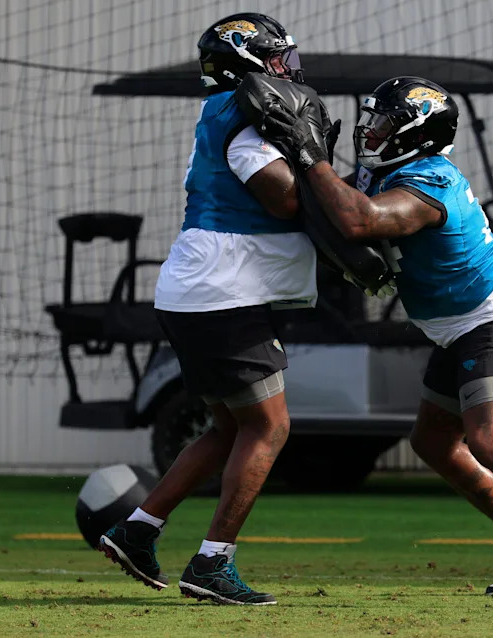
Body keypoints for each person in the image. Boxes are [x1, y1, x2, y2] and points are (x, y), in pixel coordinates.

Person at [236, 75, 493, 608]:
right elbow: (317, 205)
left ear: (416, 132)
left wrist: (310, 156)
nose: (369, 130)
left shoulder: (431, 180)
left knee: (491, 439)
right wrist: (290, 162)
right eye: (370, 119)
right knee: (434, 444)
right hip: (455, 328)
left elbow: (359, 219)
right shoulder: (382, 172)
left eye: (383, 121)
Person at [97, 13, 332, 606]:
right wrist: (318, 168)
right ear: (246, 63)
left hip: (204, 288)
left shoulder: (222, 112)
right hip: (226, 291)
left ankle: (137, 530)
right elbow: (281, 199)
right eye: (276, 58)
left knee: (231, 427)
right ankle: (211, 564)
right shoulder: (247, 120)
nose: (287, 69)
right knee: (270, 427)